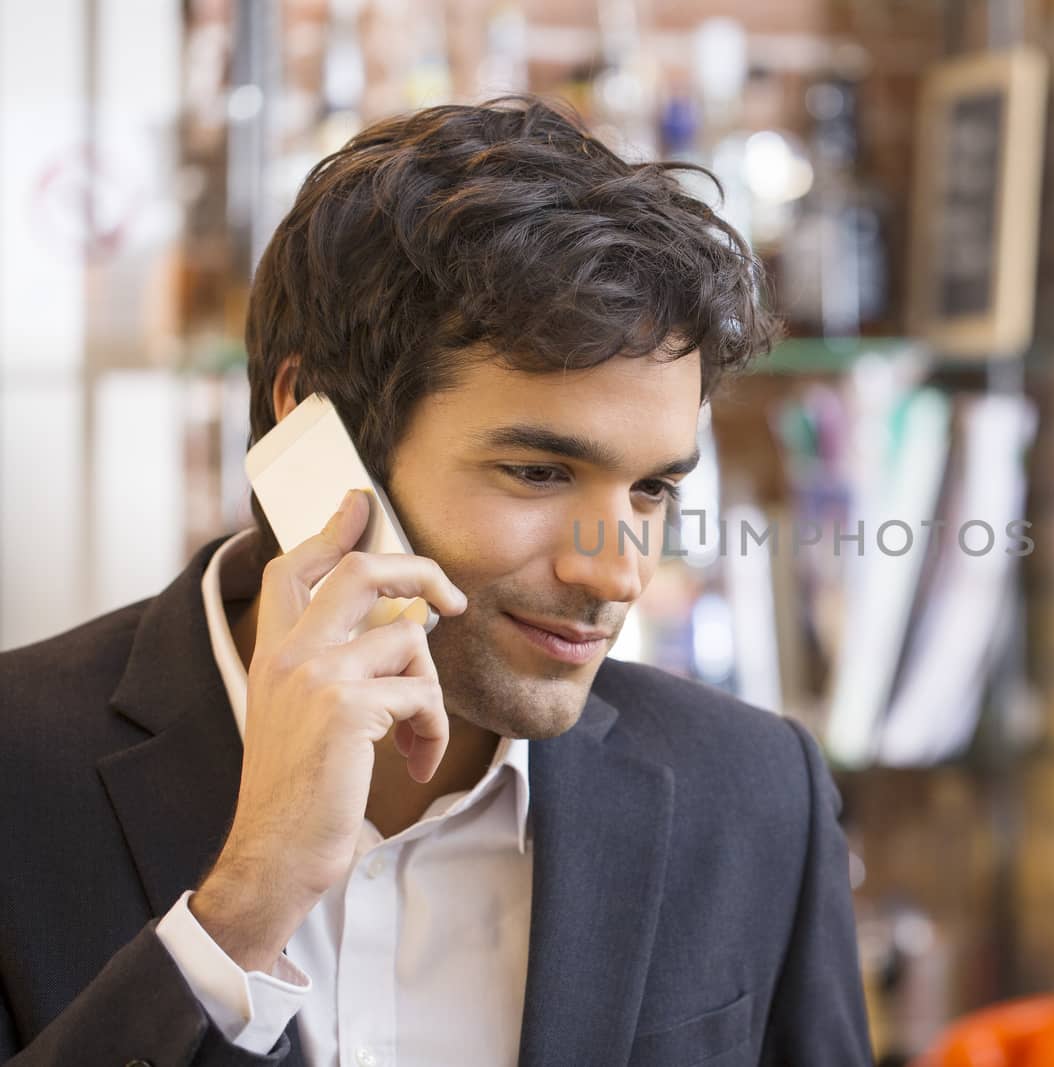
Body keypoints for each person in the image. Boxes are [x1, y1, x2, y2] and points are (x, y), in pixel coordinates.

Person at [0, 95, 872, 1066]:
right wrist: (244, 905)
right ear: (312, 423)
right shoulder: (15, 763)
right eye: (538, 472)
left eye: (654, 487)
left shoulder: (753, 794)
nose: (617, 565)